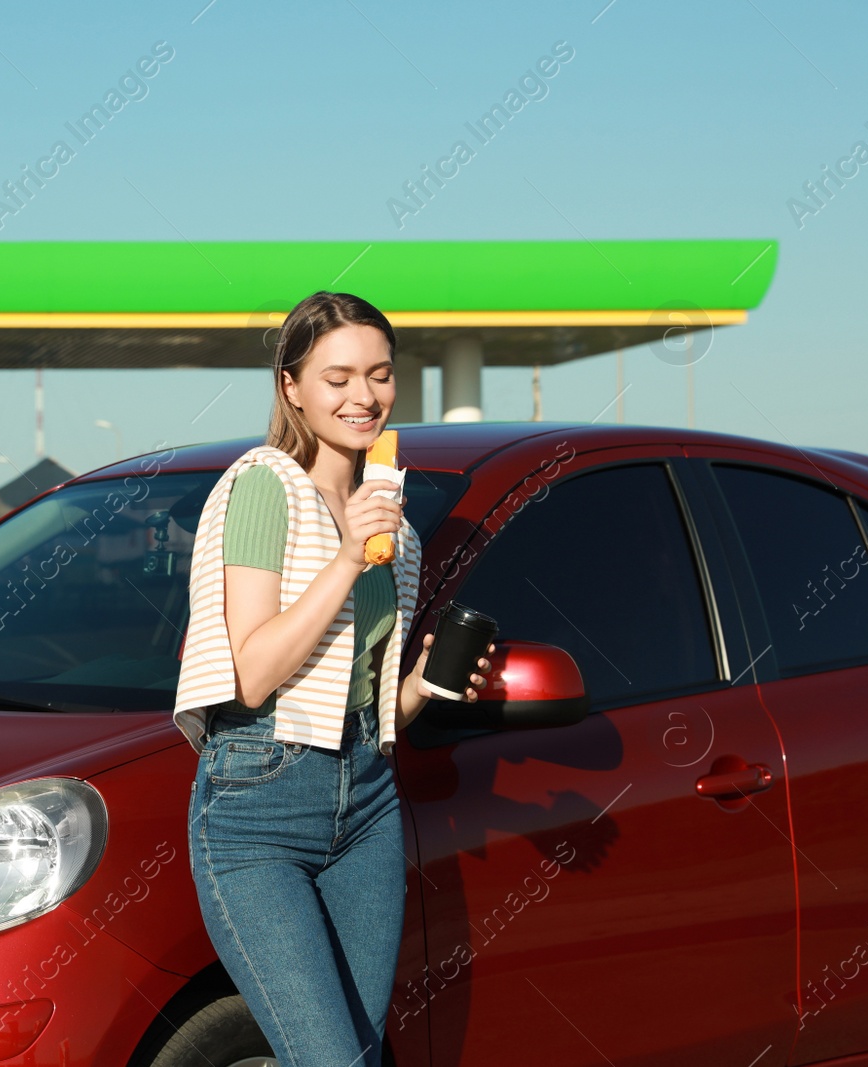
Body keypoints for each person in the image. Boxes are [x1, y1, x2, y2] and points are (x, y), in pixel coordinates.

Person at [175, 291, 496, 1067]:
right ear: (291, 386)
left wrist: (419, 685)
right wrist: (350, 554)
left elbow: (354, 690)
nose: (364, 397)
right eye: (339, 376)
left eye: (380, 375)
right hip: (258, 800)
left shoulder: (392, 522)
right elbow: (253, 672)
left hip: (369, 798)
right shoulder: (265, 486)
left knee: (358, 1048)